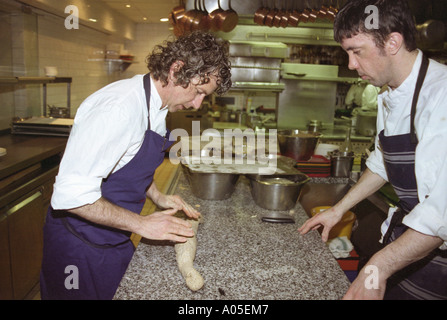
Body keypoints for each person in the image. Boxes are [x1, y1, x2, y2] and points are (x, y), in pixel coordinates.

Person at [40, 31, 232, 300]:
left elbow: (126, 161)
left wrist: (158, 196)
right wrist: (142, 225)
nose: (198, 104)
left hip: (113, 239)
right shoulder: (118, 109)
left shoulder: (158, 106)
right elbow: (70, 197)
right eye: (198, 91)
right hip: (80, 247)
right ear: (177, 70)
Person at [299, 0, 447, 300]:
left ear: (393, 42)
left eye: (357, 51)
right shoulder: (390, 93)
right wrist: (338, 210)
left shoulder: (441, 96)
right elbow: (381, 164)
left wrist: (379, 265)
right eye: (347, 53)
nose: (351, 64)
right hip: (406, 244)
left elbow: (440, 213)